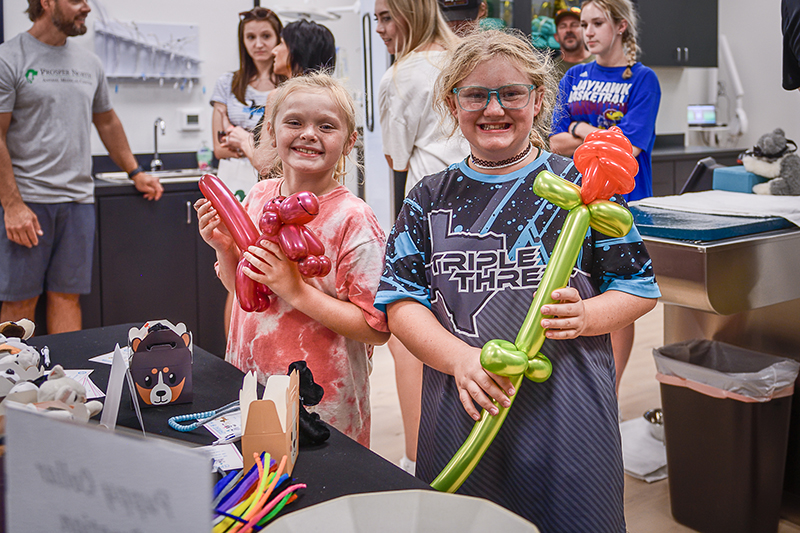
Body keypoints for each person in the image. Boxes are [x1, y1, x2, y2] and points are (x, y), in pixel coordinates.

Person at [375, 30, 660, 529]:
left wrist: (590, 314)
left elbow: (637, 288)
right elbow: (401, 304)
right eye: (475, 94)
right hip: (463, 404)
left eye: (510, 93)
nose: (494, 108)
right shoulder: (427, 196)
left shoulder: (583, 187)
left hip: (568, 411)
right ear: (451, 103)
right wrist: (460, 360)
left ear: (539, 99)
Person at [195, 73, 389, 446]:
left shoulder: (354, 220)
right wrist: (223, 246)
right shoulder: (257, 196)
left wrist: (296, 290)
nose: (308, 134)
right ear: (271, 131)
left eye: (326, 126)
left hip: (322, 405)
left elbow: (376, 329)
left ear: (349, 142)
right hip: (251, 384)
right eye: (294, 122)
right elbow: (244, 294)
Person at [0, 0, 163, 334]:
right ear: (46, 3)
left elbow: (106, 121)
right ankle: (9, 383)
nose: (86, 7)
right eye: (76, 0)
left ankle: (66, 383)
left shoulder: (88, 63)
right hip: (29, 202)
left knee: (66, 298)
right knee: (19, 304)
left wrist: (135, 172)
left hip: (78, 203)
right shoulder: (9, 58)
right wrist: (12, 205)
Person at [375, 0, 468, 474]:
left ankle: (417, 459)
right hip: (481, 205)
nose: (379, 29)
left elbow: (395, 156)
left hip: (432, 215)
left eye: (386, 17)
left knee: (407, 337)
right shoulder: (463, 58)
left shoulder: (400, 75)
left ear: (409, 15)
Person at [549, 0, 660, 394]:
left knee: (618, 298)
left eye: (597, 23)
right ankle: (581, 389)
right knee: (579, 292)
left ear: (621, 26)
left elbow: (628, 148)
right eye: (584, 24)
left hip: (621, 204)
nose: (587, 32)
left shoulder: (643, 79)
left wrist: (577, 131)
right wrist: (597, 138)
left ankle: (608, 394)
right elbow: (552, 139)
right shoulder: (573, 76)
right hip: (574, 198)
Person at [210, 7, 284, 340]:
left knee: (270, 267)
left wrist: (240, 136)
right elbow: (219, 146)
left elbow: (275, 155)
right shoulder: (229, 82)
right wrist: (252, 144)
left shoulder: (286, 86)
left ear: (278, 39)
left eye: (265, 36)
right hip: (236, 183)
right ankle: (236, 354)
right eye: (250, 37)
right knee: (238, 268)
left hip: (273, 183)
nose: (258, 44)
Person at [227, 19, 337, 174]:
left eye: (281, 44)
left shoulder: (281, 96)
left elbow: (265, 164)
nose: (274, 51)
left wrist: (243, 140)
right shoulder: (332, 96)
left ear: (296, 51)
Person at [552, 6, 594, 80]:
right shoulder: (550, 71)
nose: (568, 30)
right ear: (556, 37)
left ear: (585, 32)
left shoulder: (601, 63)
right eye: (563, 26)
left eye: (574, 25)